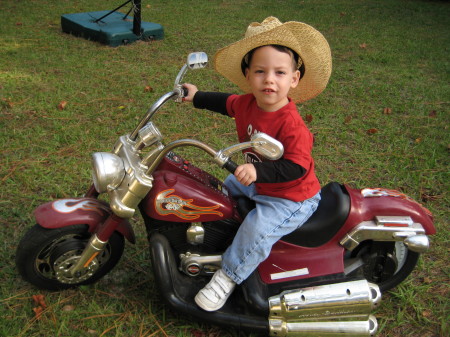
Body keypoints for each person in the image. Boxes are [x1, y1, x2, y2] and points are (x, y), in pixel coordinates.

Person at [182, 16, 332, 312]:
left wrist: (257, 170)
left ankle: (228, 276)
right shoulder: (248, 103)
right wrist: (197, 96)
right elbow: (225, 102)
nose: (270, 79)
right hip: (259, 182)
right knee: (223, 189)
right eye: (261, 71)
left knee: (256, 228)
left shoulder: (292, 124)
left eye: (279, 72)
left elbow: (296, 168)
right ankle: (219, 235)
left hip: (290, 197)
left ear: (294, 79)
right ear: (248, 75)